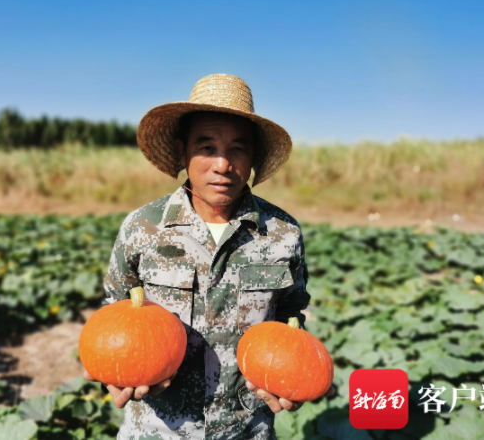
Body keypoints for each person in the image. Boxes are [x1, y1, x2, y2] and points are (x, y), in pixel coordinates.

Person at [83, 74, 334, 439]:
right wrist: (116, 374)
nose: (222, 164)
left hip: (247, 429)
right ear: (183, 151)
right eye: (206, 147)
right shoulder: (142, 227)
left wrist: (291, 377)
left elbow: (290, 314)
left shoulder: (283, 233)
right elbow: (116, 307)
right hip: (156, 429)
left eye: (238, 148)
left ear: (253, 159)